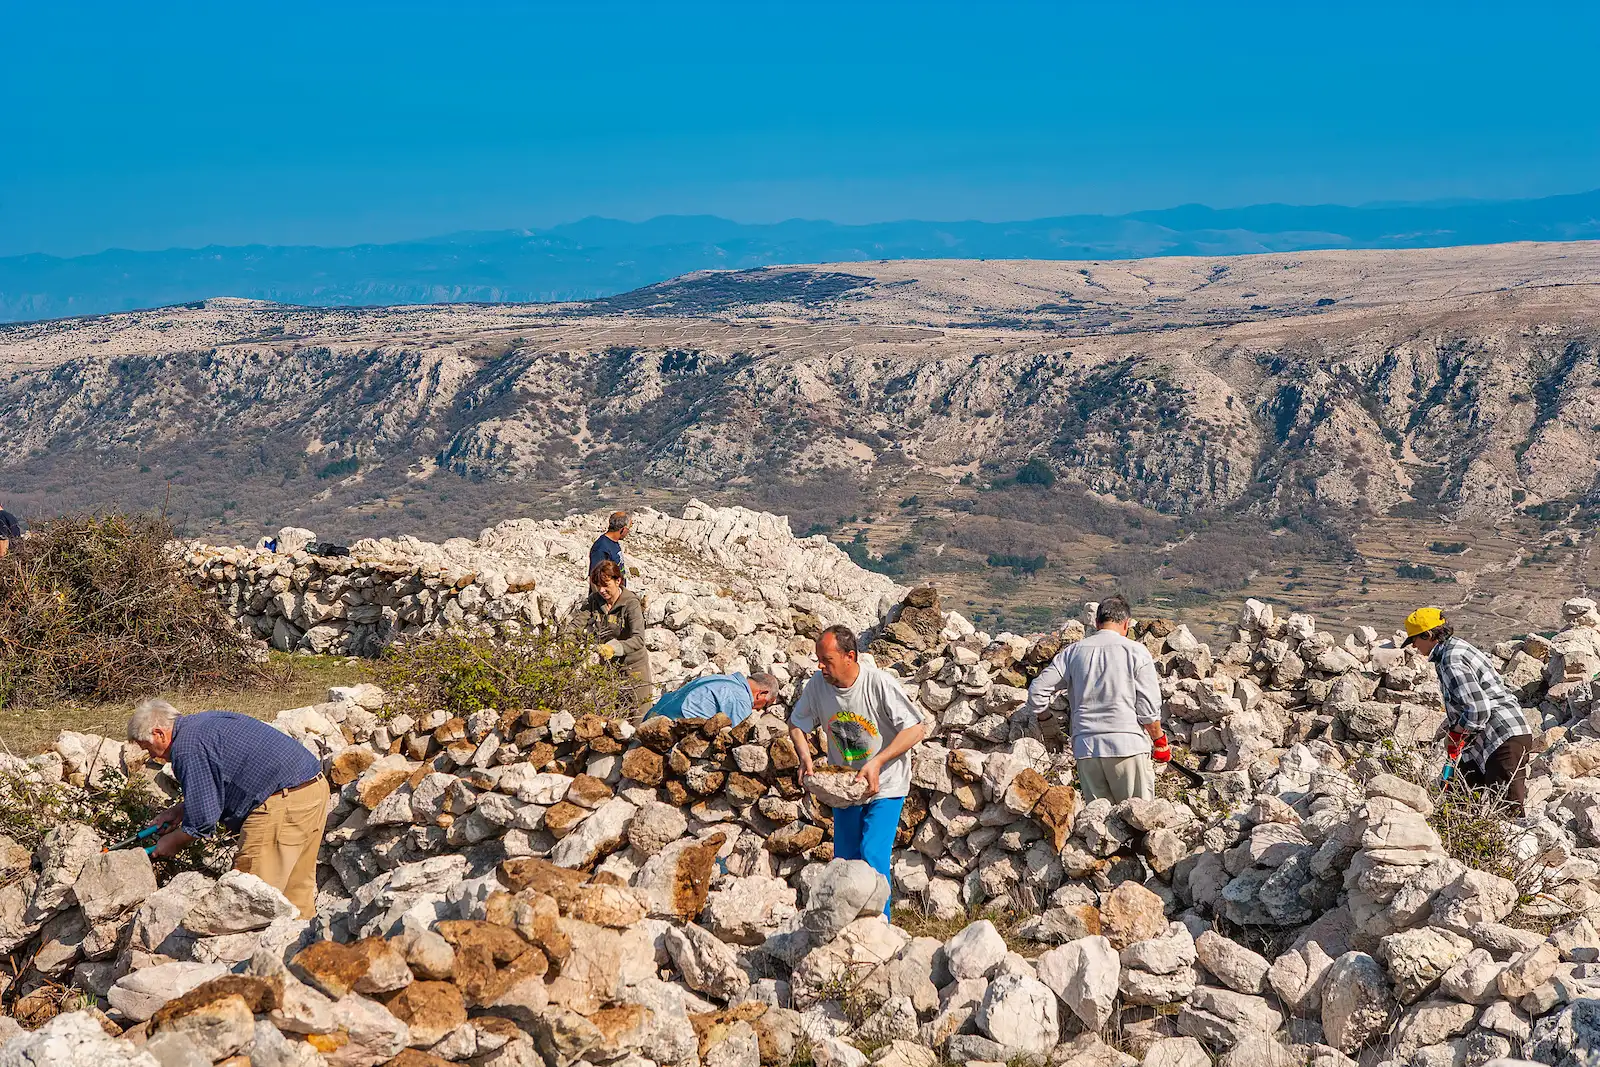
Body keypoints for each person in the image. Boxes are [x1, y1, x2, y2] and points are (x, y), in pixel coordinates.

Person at [126, 700, 330, 919]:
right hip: (312, 788)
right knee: (295, 892)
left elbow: (203, 821)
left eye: (148, 748)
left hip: (283, 804)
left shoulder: (186, 749)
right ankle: (301, 949)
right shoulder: (205, 722)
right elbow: (220, 781)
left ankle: (248, 952)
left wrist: (171, 842)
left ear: (159, 734)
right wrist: (181, 810)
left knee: (249, 900)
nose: (155, 757)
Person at [789, 625, 926, 915]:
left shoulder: (878, 684)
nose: (821, 666)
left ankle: (880, 926)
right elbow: (797, 724)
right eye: (818, 660)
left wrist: (877, 762)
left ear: (850, 656)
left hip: (886, 784)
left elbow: (916, 728)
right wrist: (804, 757)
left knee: (873, 856)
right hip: (847, 787)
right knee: (846, 861)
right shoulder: (817, 685)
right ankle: (848, 927)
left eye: (827, 660)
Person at [1023, 594, 1169, 803]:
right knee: (1138, 818)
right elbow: (1147, 708)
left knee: (1097, 822)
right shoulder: (1136, 652)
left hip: (1087, 749)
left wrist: (1047, 723)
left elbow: (1037, 689)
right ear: (1126, 623)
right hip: (1126, 746)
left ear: (1097, 622)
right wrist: (1159, 741)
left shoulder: (1073, 653)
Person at [1403, 606, 1533, 813]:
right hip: (1485, 742)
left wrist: (1456, 733)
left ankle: (1519, 844)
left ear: (1428, 635)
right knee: (1458, 799)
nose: (1414, 646)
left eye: (1414, 640)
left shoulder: (1450, 660)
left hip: (1502, 738)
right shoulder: (1455, 649)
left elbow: (1478, 709)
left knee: (1508, 810)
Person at [582, 559, 653, 719]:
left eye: (606, 585)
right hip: (608, 668)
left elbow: (638, 639)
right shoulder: (594, 601)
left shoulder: (630, 604)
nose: (601, 590)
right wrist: (567, 641)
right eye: (598, 586)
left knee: (637, 716)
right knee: (607, 716)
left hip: (633, 667)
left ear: (618, 581)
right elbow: (577, 623)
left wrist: (614, 648)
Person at [646, 671, 780, 727]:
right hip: (668, 730)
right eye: (764, 705)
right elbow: (736, 738)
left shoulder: (720, 678)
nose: (757, 710)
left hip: (652, 716)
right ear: (762, 694)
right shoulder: (741, 699)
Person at [590, 511, 631, 584]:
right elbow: (595, 577)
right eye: (628, 528)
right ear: (623, 529)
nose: (628, 532)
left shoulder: (614, 542)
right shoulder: (601, 548)